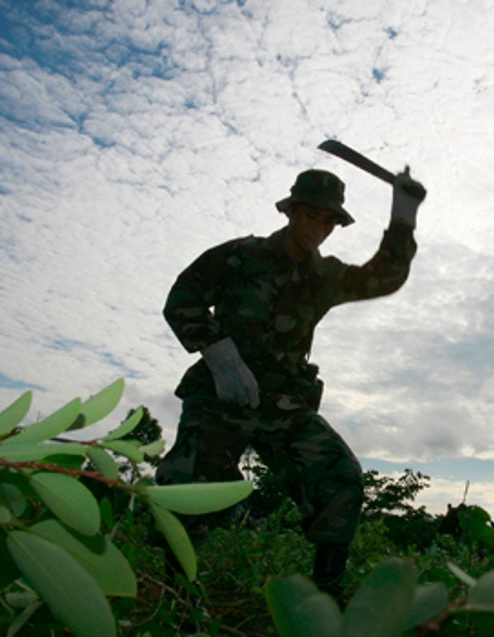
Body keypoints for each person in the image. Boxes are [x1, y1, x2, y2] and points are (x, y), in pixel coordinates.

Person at [156, 165, 426, 599]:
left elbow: (385, 275)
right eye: (311, 216)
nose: (318, 228)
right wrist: (219, 354)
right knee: (188, 488)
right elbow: (181, 299)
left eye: (328, 222)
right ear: (291, 211)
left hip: (283, 404)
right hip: (221, 396)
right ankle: (175, 595)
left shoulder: (327, 277)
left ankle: (327, 596)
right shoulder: (240, 256)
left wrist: (404, 216)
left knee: (339, 476)